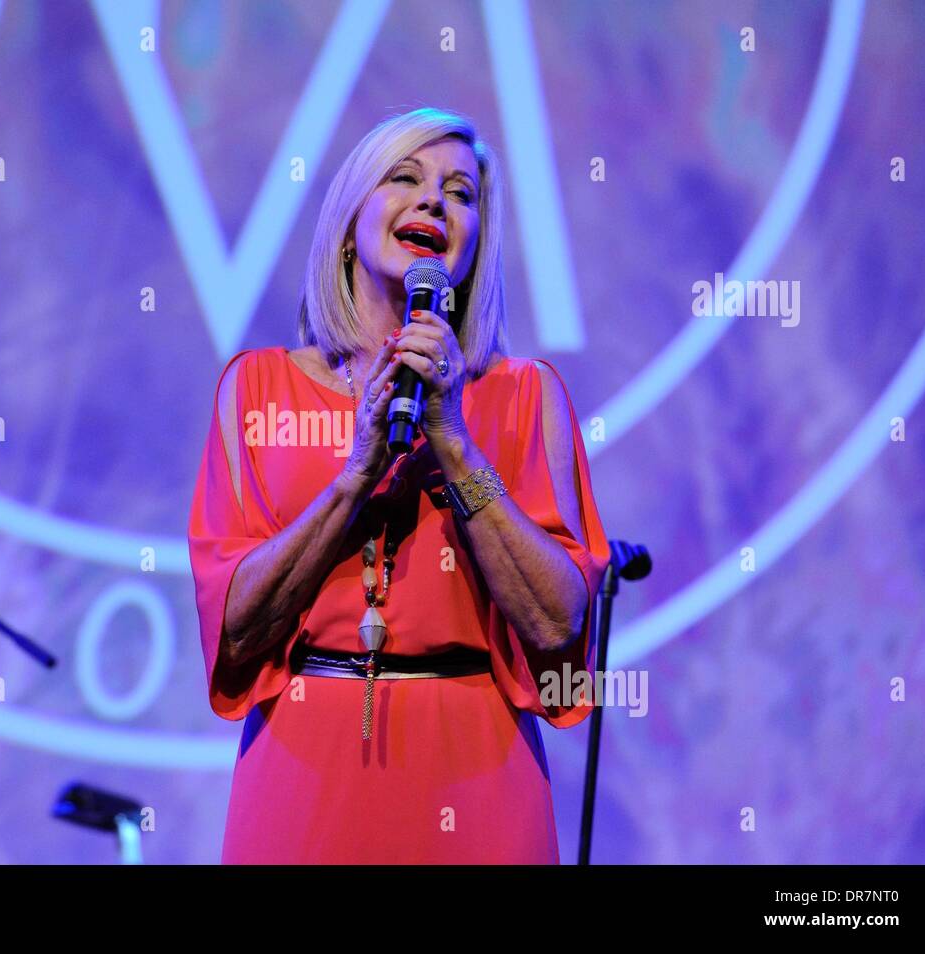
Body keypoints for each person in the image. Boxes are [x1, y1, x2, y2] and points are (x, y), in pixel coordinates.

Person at [187, 107, 609, 864]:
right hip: (304, 777)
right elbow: (235, 628)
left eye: (461, 193)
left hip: (477, 776)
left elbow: (558, 627)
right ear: (348, 224)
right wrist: (354, 480)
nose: (434, 203)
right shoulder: (257, 390)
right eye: (405, 178)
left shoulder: (523, 397)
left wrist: (453, 442)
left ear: (475, 246)